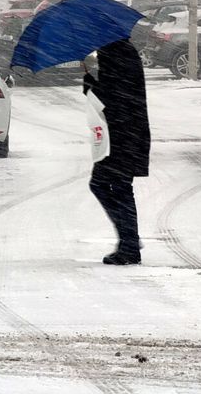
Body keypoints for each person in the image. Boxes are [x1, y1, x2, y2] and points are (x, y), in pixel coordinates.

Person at [85, 38, 151, 265]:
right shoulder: (121, 49)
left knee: (107, 185)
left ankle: (130, 244)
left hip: (122, 133)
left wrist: (91, 84)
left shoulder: (115, 52)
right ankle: (129, 240)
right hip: (127, 131)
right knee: (118, 187)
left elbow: (113, 93)